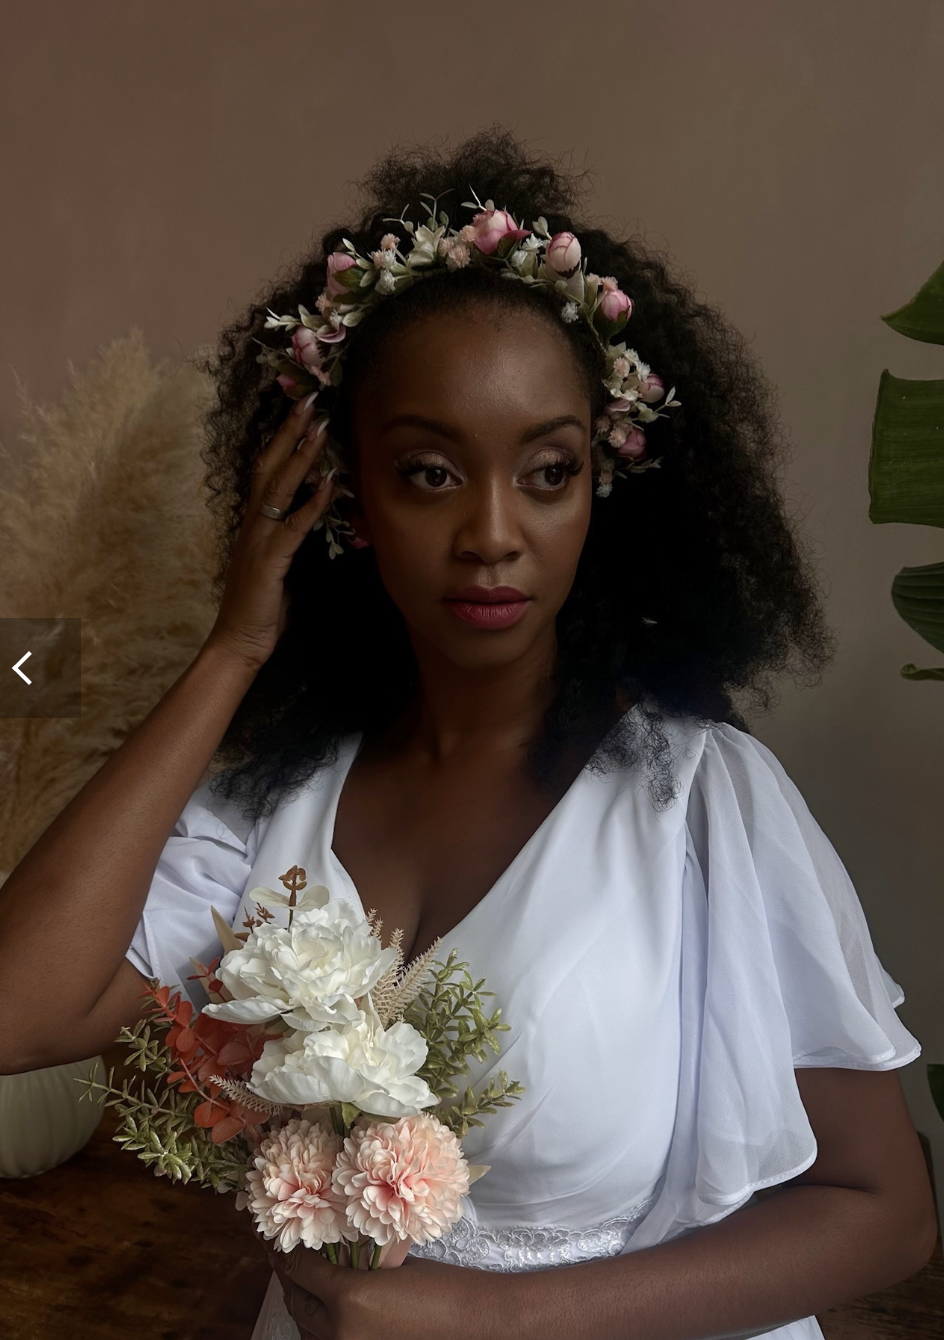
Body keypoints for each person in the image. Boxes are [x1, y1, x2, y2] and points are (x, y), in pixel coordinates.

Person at [0, 126, 936, 1340]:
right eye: (430, 473)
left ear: (603, 486)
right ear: (343, 497)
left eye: (546, 470)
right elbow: (19, 1010)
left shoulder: (703, 804)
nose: (493, 531)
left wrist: (483, 1316)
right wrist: (232, 648)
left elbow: (881, 1209)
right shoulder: (261, 813)